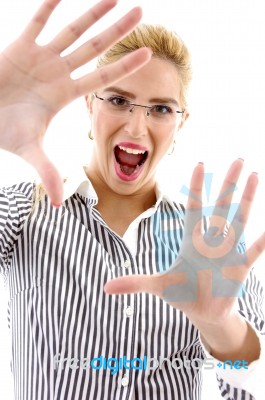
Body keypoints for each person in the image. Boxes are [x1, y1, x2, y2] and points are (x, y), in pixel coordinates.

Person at [0, 0, 264, 399]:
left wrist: (222, 329)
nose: (136, 127)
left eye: (160, 108)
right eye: (118, 101)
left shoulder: (212, 244)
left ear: (181, 122)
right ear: (90, 103)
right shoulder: (21, 210)